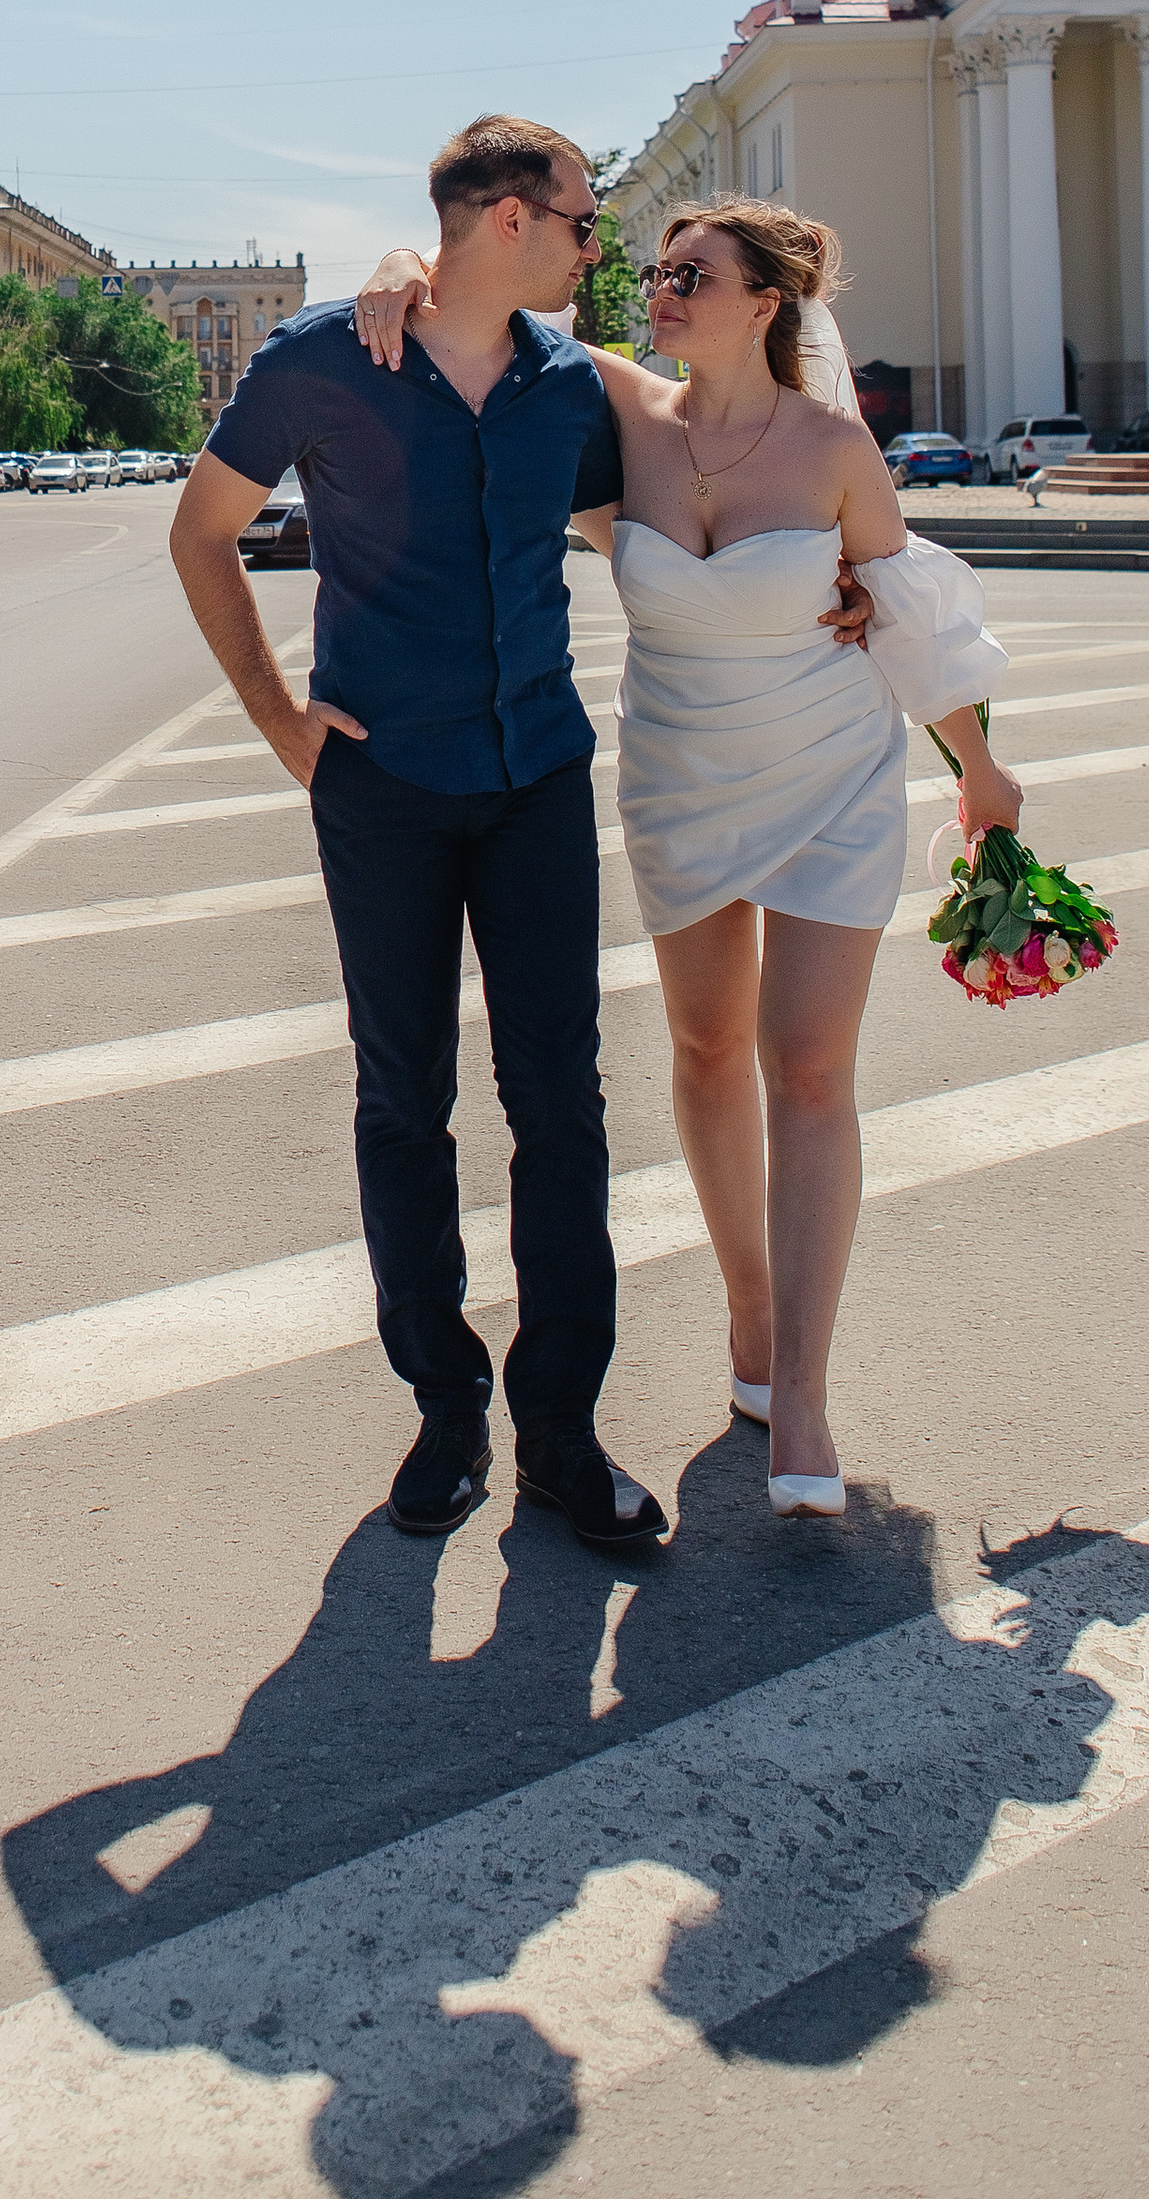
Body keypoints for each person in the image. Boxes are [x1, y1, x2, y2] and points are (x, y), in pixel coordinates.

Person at [171, 117, 864, 1557]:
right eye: (583, 222)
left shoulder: (572, 390)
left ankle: (560, 1431)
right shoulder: (321, 360)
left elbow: (682, 522)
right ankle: (443, 1412)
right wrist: (278, 719)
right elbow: (202, 531)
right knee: (401, 1099)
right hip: (383, 789)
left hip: (538, 777)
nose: (600, 250)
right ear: (505, 220)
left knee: (563, 1106)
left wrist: (841, 596)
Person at [353, 194, 1016, 1517]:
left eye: (692, 277)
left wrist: (981, 770)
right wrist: (392, 267)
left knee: (809, 1065)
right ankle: (753, 1321)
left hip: (830, 774)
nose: (659, 293)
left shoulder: (835, 444)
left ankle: (806, 1404)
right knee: (708, 1052)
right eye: (657, 272)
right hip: (680, 775)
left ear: (768, 304)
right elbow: (478, 286)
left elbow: (906, 614)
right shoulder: (619, 415)